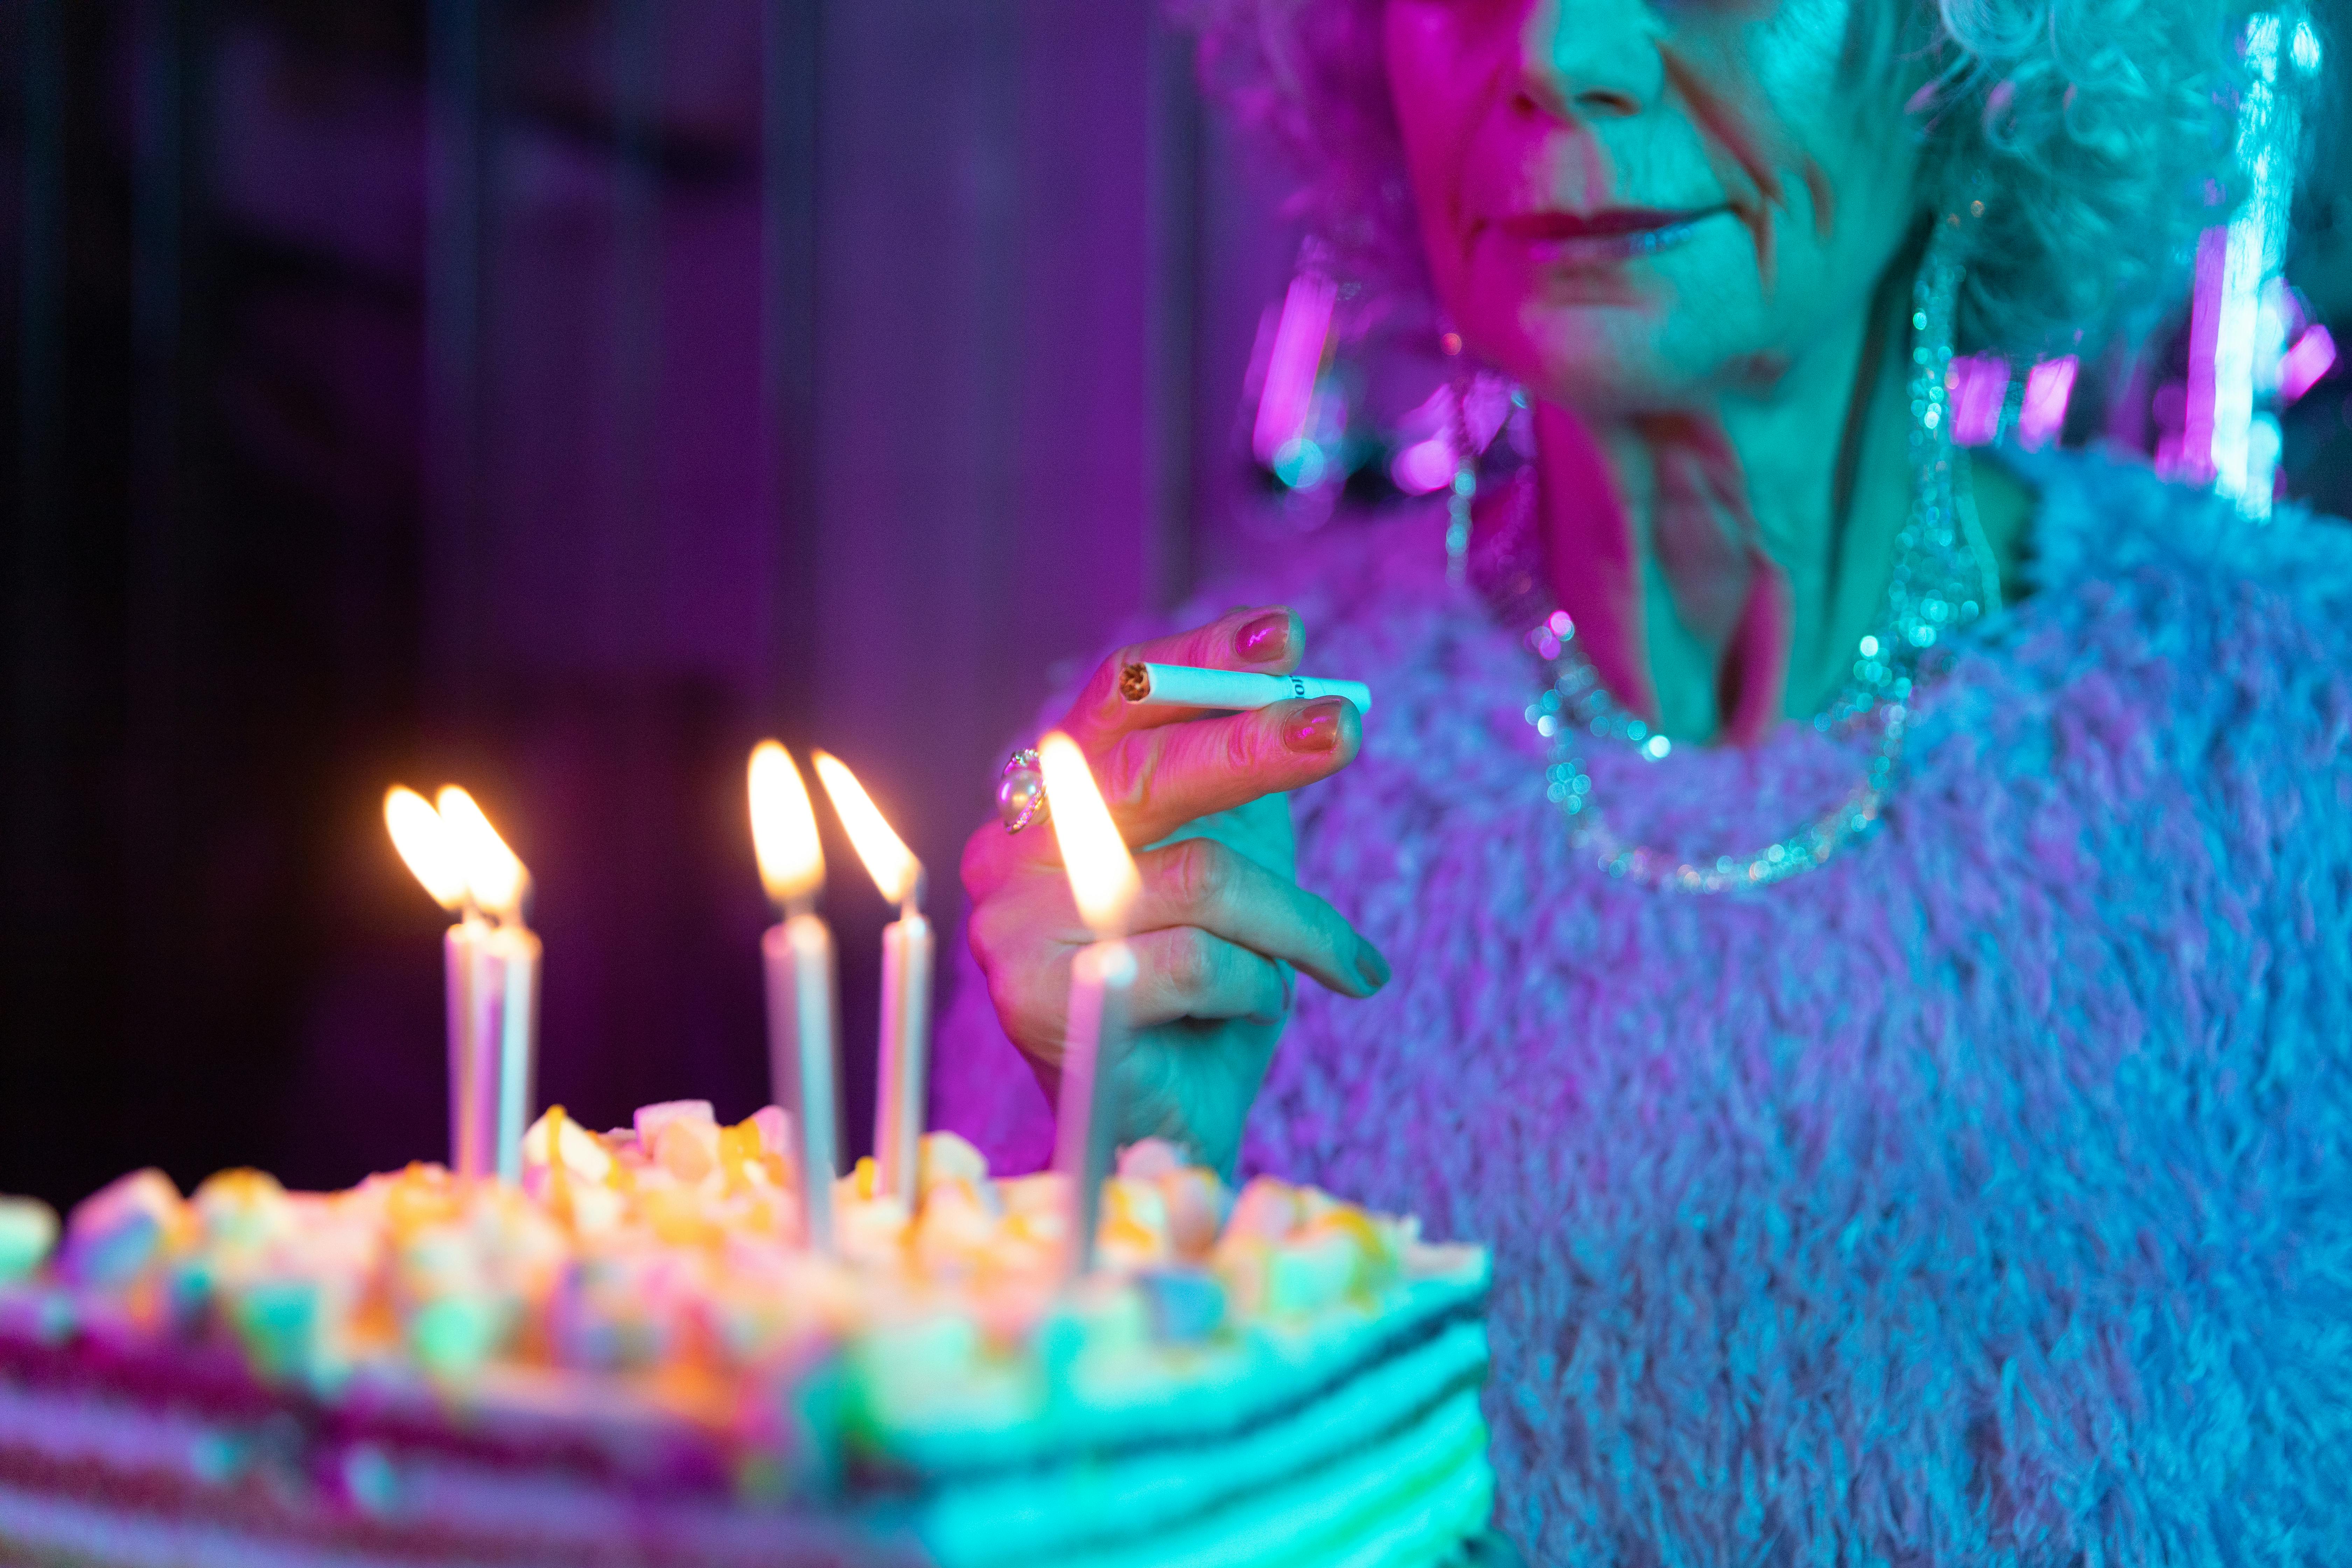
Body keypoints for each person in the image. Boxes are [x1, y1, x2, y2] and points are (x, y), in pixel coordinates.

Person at [939, 0, 2351, 1558]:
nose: (1554, 51)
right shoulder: (1193, 795)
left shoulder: (2301, 728)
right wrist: (1139, 1194)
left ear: (1994, 59)